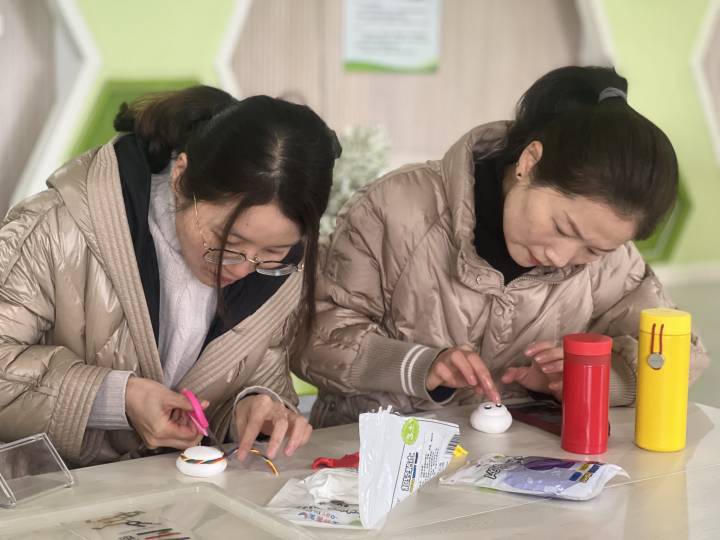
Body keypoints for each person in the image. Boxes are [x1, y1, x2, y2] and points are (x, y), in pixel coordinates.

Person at [295, 66, 710, 428]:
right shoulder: (395, 208)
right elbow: (310, 337)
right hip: (372, 463)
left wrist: (597, 380)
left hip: (516, 472)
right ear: (530, 162)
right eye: (562, 227)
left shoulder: (610, 260)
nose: (563, 258)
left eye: (593, 251)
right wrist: (419, 366)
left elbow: (679, 354)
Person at [0, 86, 341, 466]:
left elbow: (260, 373)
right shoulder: (54, 228)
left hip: (177, 507)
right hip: (44, 502)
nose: (243, 268)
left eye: (272, 253)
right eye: (227, 242)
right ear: (181, 177)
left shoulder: (282, 270)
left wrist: (254, 409)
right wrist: (118, 397)